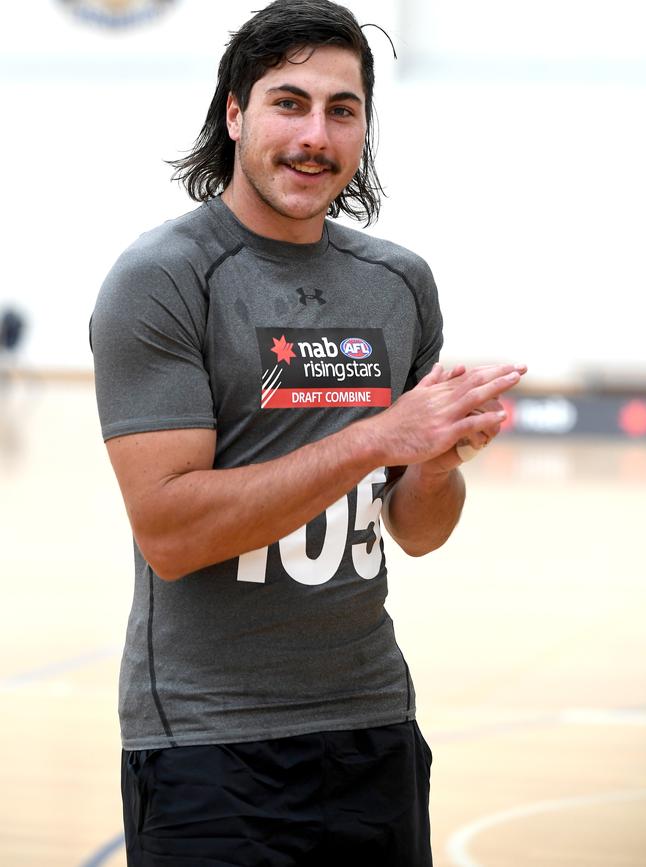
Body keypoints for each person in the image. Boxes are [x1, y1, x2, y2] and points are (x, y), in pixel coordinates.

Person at [90, 1, 526, 864]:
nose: (314, 134)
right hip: (208, 744)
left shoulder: (399, 283)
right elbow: (171, 533)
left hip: (373, 726)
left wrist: (432, 465)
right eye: (289, 102)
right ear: (234, 113)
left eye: (343, 108)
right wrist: (376, 438)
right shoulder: (164, 279)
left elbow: (417, 530)